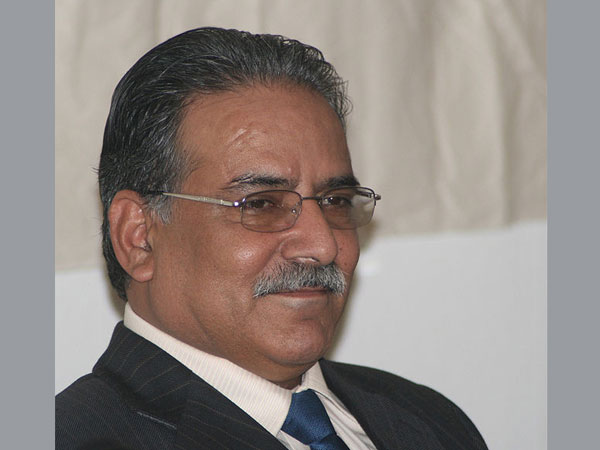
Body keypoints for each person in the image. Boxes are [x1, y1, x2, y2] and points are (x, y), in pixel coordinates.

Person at [56, 27, 488, 450]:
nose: (323, 245)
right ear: (139, 237)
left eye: (336, 201)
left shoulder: (428, 420)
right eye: (262, 204)